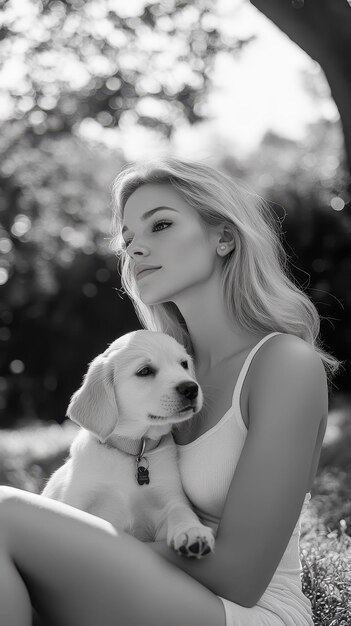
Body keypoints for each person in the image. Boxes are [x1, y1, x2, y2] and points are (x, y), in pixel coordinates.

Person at [0, 156, 341, 626]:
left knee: (5, 511)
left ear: (224, 237)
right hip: (153, 592)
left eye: (159, 225)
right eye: (128, 239)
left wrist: (76, 542)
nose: (135, 248)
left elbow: (240, 576)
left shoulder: (284, 363)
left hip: (243, 612)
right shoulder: (163, 369)